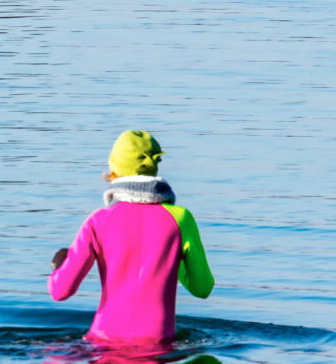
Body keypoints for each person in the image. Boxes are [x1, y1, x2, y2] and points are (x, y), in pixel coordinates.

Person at [47, 131, 213, 346]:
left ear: (114, 170)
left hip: (102, 343)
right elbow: (202, 288)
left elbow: (60, 292)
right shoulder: (181, 219)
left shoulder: (98, 220)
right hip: (159, 344)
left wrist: (59, 266)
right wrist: (174, 258)